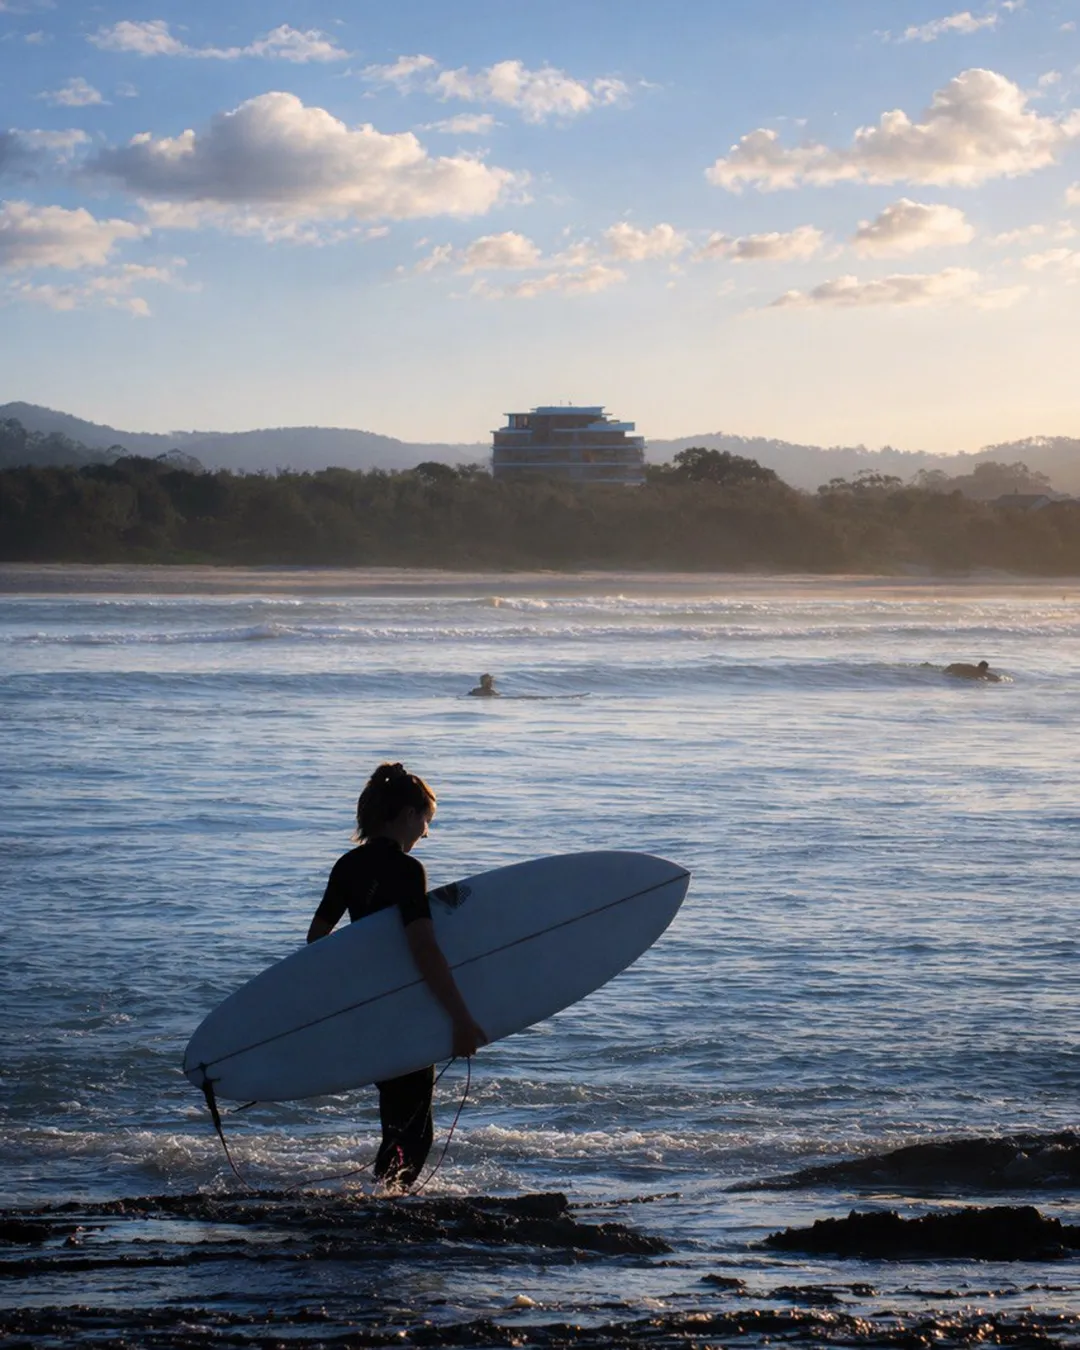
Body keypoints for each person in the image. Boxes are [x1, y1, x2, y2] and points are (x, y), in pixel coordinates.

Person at [306, 762, 487, 1189]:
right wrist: (460, 1019)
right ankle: (386, 1201)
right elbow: (423, 948)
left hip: (371, 1008)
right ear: (408, 815)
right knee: (414, 1131)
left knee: (396, 1115)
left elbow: (317, 940)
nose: (426, 832)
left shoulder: (347, 865)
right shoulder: (408, 871)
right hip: (406, 1007)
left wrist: (354, 983)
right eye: (426, 820)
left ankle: (384, 1198)